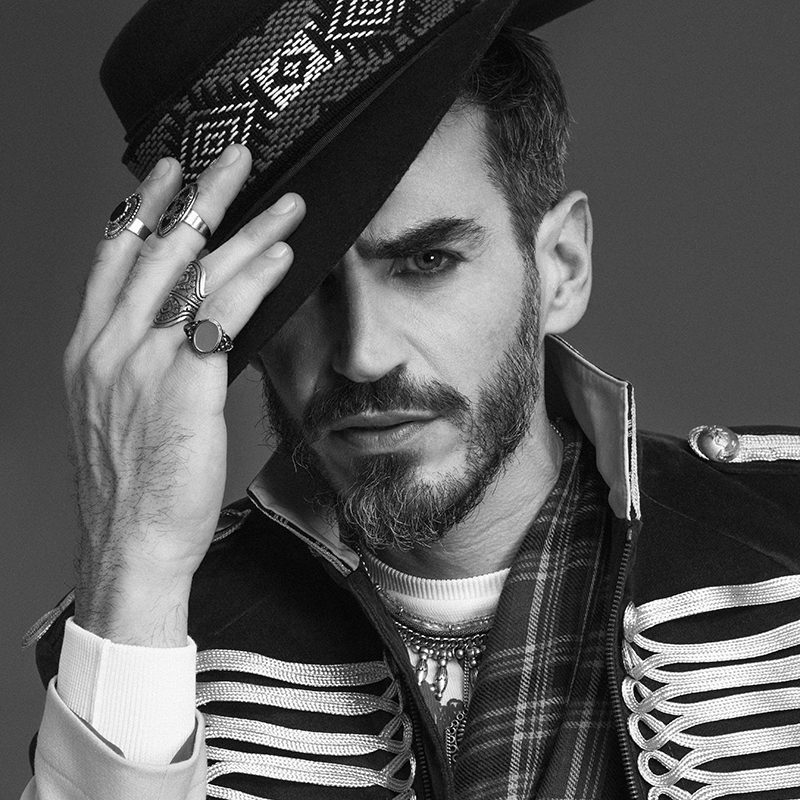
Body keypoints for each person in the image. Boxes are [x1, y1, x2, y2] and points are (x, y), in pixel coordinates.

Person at [21, 0, 800, 798]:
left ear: (561, 267)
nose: (363, 354)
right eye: (300, 287)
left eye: (427, 261)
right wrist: (135, 558)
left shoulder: (783, 539)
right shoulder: (145, 634)